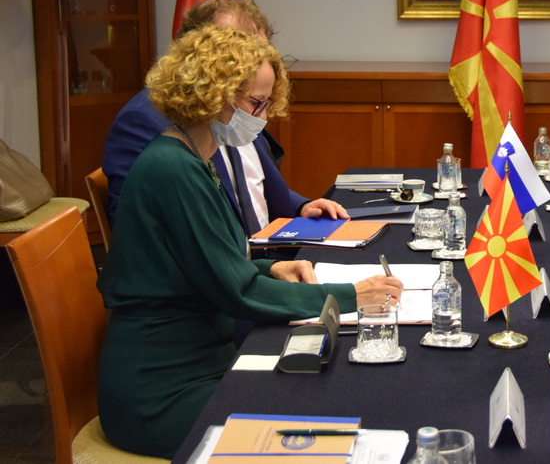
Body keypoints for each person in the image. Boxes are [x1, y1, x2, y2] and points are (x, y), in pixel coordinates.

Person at [97, 25, 403, 458]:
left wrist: (269, 266)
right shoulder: (173, 169)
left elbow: (209, 261)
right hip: (160, 391)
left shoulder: (193, 156)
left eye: (266, 104)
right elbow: (236, 292)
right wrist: (352, 296)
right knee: (318, 428)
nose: (262, 116)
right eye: (255, 104)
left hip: (202, 362)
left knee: (328, 401)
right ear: (212, 93)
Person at [102, 0, 347, 234]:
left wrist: (301, 207)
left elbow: (254, 184)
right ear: (198, 54)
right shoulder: (145, 120)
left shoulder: (245, 105)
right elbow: (138, 225)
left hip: (270, 243)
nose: (255, 63)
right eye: (236, 54)